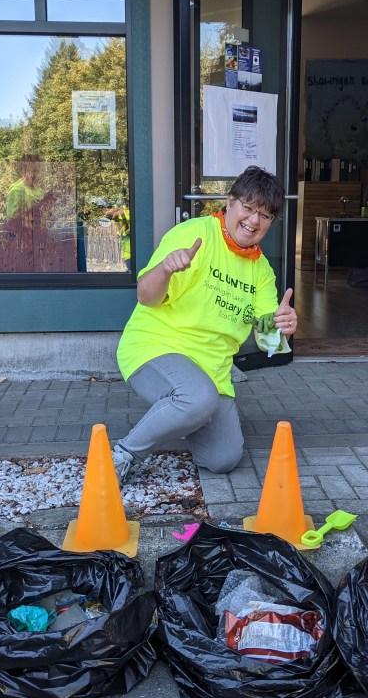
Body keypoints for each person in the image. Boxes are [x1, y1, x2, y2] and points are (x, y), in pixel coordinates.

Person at [112, 166, 297, 483]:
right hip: (155, 349)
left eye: (265, 215)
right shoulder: (193, 234)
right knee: (197, 398)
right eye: (248, 208)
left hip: (213, 372)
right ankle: (122, 455)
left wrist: (282, 327)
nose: (254, 221)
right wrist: (165, 269)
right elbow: (145, 297)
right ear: (230, 203)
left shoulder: (262, 271)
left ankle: (187, 413)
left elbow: (268, 342)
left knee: (224, 458)